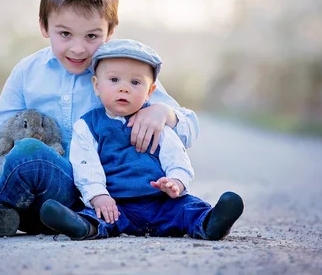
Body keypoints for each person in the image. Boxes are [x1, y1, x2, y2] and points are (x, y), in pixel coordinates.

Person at [0, 0, 200, 238]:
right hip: (15, 174)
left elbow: (189, 127)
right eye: (65, 34)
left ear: (110, 32)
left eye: (92, 36)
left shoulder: (121, 73)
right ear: (44, 26)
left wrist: (164, 113)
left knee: (29, 152)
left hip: (70, 187)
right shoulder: (27, 71)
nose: (78, 48)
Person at [40, 39, 244, 240]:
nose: (124, 88)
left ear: (150, 91)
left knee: (188, 208)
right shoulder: (88, 126)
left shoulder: (155, 122)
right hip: (116, 204)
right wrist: (97, 195)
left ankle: (211, 223)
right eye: (114, 80)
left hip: (160, 202)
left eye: (135, 82)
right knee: (99, 215)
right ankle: (82, 227)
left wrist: (176, 182)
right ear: (96, 85)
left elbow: (176, 157)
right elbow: (85, 165)